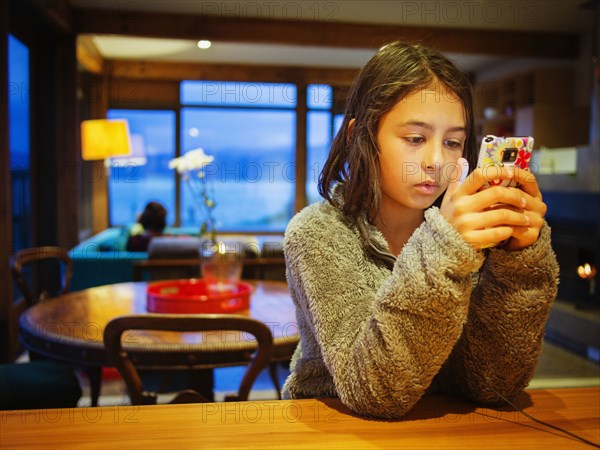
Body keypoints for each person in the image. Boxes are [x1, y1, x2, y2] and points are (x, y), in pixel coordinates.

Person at [281, 41, 559, 419]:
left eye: (452, 142)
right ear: (358, 136)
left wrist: (518, 262)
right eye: (415, 139)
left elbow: (493, 385)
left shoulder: (471, 234)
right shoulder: (317, 233)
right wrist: (444, 246)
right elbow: (375, 392)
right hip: (333, 428)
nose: (435, 162)